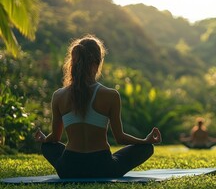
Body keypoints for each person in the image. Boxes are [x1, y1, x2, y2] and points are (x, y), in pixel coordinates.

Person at [34, 34, 161, 178]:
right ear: (98, 62)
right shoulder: (110, 95)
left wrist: (44, 139)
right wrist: (145, 141)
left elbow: (55, 138)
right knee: (146, 148)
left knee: (48, 147)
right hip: (103, 167)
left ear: (73, 62)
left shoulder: (58, 95)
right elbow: (120, 138)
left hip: (68, 168)